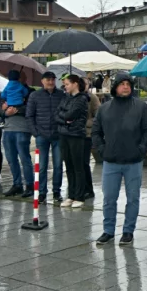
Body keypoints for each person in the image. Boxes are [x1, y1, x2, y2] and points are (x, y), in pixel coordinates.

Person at [91, 72, 147, 246]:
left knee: (133, 198)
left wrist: (141, 150)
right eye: (122, 84)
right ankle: (108, 231)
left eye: (128, 84)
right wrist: (102, 150)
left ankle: (128, 231)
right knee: (109, 198)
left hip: (133, 161)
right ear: (115, 87)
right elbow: (96, 132)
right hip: (111, 161)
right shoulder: (104, 108)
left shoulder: (141, 107)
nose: (126, 86)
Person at [26, 72, 65, 203]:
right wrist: (35, 132)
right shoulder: (35, 95)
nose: (51, 82)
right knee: (42, 166)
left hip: (57, 135)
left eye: (53, 80)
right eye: (48, 80)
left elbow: (65, 112)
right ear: (42, 81)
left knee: (58, 165)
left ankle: (56, 192)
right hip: (41, 135)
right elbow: (29, 115)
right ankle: (42, 192)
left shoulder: (61, 95)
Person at [57, 74, 89, 208]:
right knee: (68, 166)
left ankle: (79, 196)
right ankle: (71, 195)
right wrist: (65, 119)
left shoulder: (82, 99)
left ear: (75, 84)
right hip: (64, 134)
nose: (65, 86)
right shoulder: (65, 97)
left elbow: (71, 114)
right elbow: (57, 114)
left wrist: (64, 116)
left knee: (78, 166)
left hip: (76, 135)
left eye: (67, 84)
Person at [1, 91, 34, 199]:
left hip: (22, 130)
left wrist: (16, 110)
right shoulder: (8, 93)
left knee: (24, 158)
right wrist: (5, 111)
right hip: (7, 130)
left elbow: (31, 109)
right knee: (11, 159)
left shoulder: (27, 92)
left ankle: (30, 185)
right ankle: (17, 184)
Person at [82, 82, 102, 201]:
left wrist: (86, 122)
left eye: (85, 84)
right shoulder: (71, 97)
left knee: (84, 163)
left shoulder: (92, 98)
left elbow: (98, 117)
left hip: (87, 134)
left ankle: (88, 190)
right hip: (74, 134)